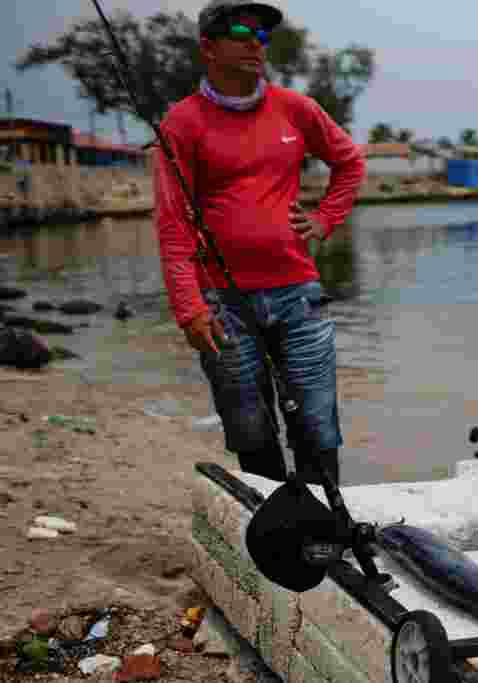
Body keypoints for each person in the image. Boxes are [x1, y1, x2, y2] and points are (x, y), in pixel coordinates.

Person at [154, 0, 366, 486]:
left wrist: (324, 219)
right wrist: (189, 307)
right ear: (208, 47)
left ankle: (324, 534)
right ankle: (275, 527)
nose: (256, 43)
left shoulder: (297, 109)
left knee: (316, 426)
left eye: (264, 35)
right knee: (250, 428)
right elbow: (172, 223)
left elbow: (350, 163)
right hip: (222, 304)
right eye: (241, 32)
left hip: (299, 296)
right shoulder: (181, 123)